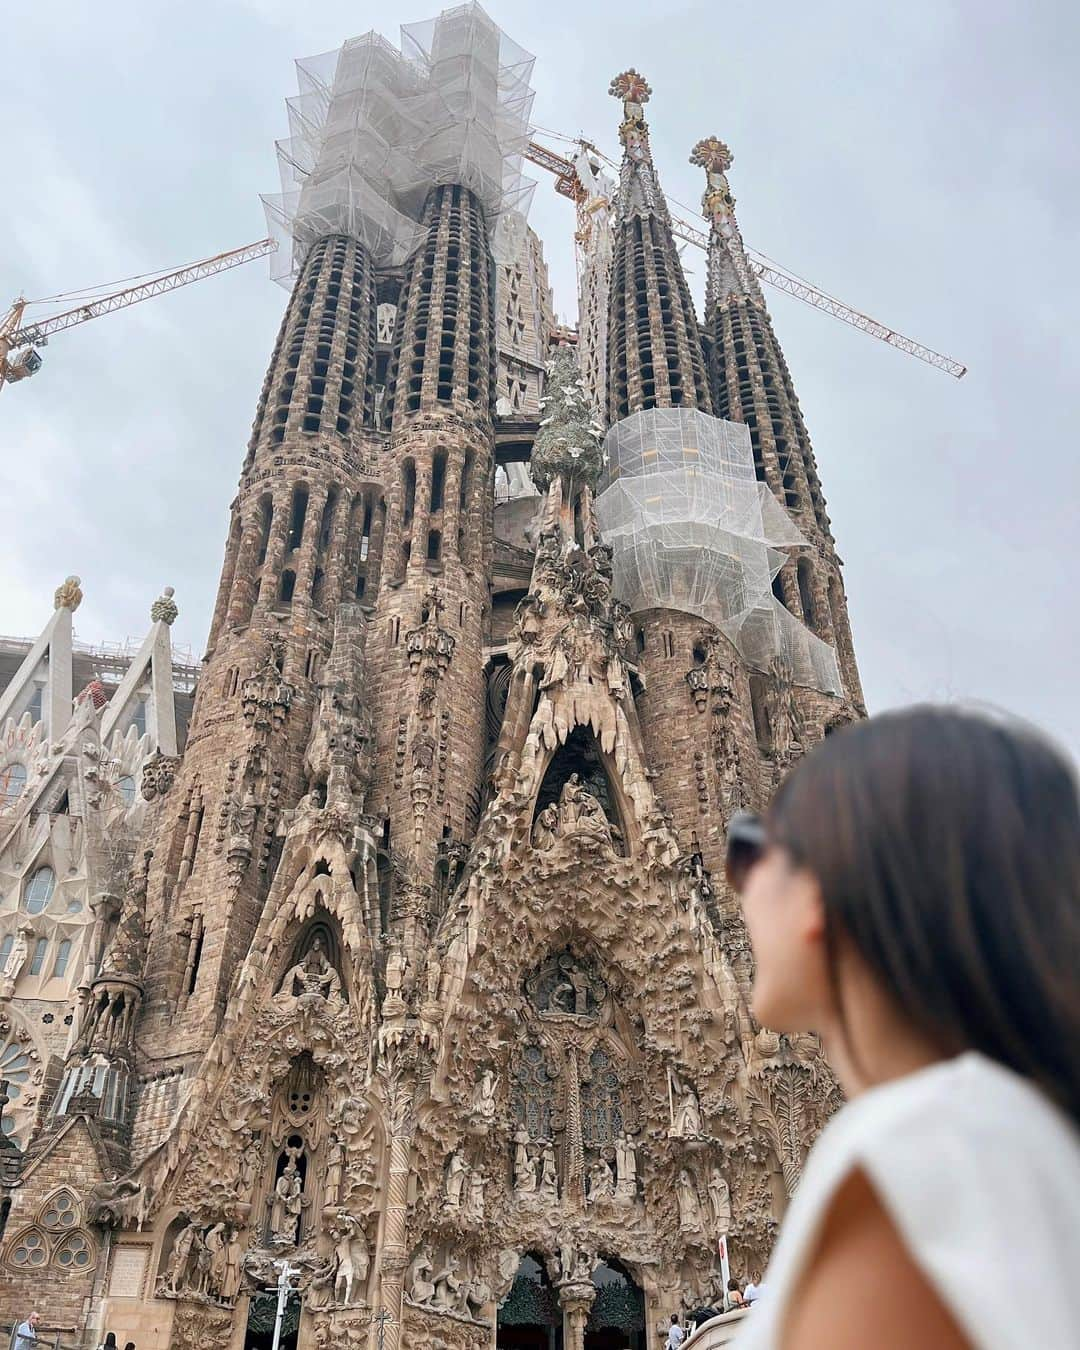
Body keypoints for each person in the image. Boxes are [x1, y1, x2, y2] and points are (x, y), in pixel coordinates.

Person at [725, 707, 1080, 1349]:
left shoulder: (913, 1150)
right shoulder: (1006, 1135)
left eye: (752, 848)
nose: (737, 884)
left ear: (824, 891)